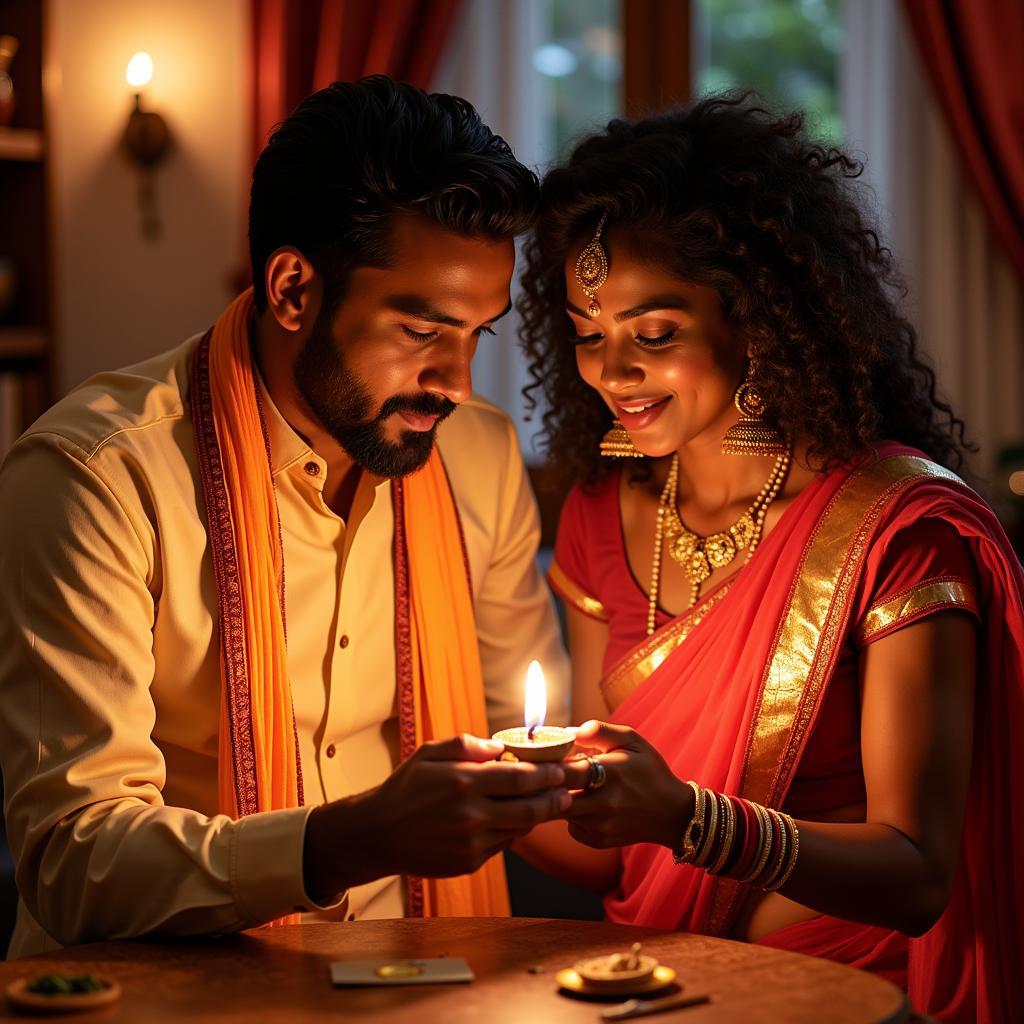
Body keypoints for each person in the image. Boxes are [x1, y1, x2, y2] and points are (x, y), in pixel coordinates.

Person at [0, 76, 571, 958]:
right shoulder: (96, 478)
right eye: (422, 332)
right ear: (294, 288)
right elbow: (71, 861)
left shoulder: (478, 458)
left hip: (424, 979)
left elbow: (514, 736)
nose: (458, 384)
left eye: (476, 334)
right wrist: (351, 839)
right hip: (158, 995)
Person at [515, 96, 1024, 1024]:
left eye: (655, 334)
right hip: (645, 984)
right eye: (588, 337)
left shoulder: (899, 532)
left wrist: (687, 820)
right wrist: (476, 786)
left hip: (852, 994)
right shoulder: (598, 513)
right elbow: (602, 855)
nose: (612, 373)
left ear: (757, 317)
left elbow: (917, 873)